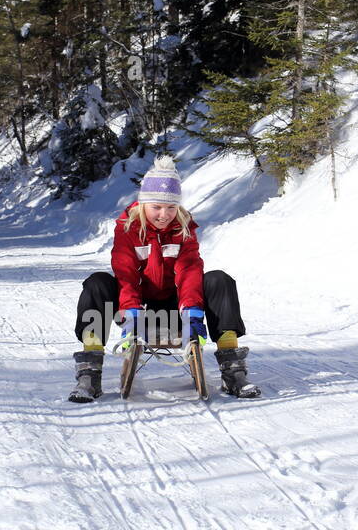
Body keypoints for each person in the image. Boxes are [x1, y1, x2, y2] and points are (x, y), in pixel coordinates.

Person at [69, 155, 260, 402]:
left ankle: (233, 370)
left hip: (175, 304)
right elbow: (125, 273)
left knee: (219, 280)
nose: (164, 214)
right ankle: (89, 375)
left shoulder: (184, 228)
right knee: (97, 283)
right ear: (143, 204)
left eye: (171, 208)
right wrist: (130, 312)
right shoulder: (127, 229)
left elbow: (189, 269)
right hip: (137, 307)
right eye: (156, 207)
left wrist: (191, 310)